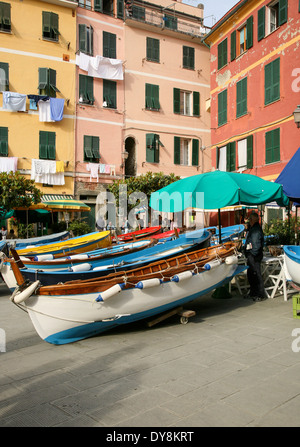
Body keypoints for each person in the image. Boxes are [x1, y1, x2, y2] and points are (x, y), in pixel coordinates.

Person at [244, 212, 266, 301]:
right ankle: (253, 292)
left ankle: (260, 294)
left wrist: (252, 254)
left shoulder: (256, 230)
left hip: (254, 256)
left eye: (249, 219)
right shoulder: (254, 228)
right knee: (252, 275)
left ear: (252, 220)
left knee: (256, 274)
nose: (249, 221)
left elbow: (256, 245)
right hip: (253, 255)